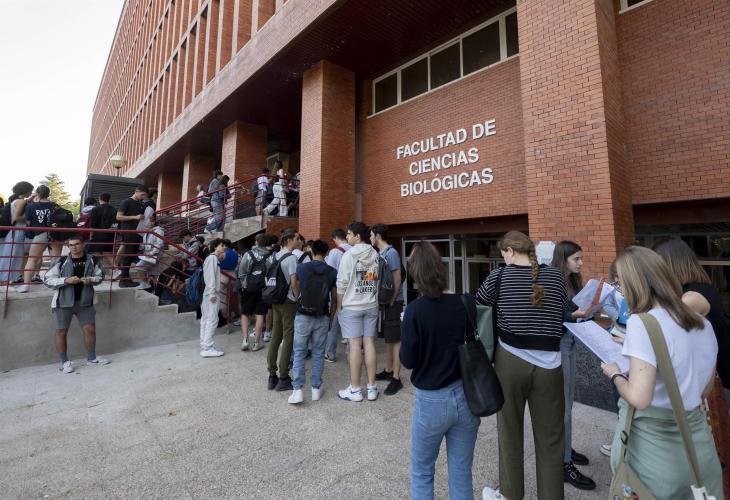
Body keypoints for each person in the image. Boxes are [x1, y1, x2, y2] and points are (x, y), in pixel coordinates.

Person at [601, 246, 722, 499]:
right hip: (698, 446)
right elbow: (704, 388)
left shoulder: (642, 323)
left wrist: (615, 375)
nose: (620, 292)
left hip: (655, 449)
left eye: (619, 285)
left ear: (633, 284)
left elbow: (640, 398)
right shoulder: (703, 323)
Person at [479, 231, 568, 500]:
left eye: (503, 254)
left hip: (510, 361)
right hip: (550, 365)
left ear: (509, 251)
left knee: (510, 433)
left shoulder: (499, 276)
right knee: (551, 440)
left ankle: (510, 494)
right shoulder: (556, 276)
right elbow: (561, 311)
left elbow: (479, 305)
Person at [400, 241, 480, 500]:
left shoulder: (414, 311)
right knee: (461, 472)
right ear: (440, 267)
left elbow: (408, 360)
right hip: (466, 395)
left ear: (415, 272)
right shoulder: (465, 302)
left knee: (422, 472)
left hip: (431, 400)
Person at [653, 238, 730, 493]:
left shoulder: (692, 296)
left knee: (713, 447)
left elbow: (663, 324)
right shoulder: (697, 288)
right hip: (712, 374)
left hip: (715, 378)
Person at [550, 240, 596, 490]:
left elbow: (573, 312)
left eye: (581, 258)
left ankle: (565, 448)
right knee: (564, 405)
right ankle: (563, 463)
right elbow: (549, 315)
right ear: (563, 259)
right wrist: (572, 315)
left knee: (568, 401)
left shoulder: (574, 281)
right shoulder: (552, 281)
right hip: (559, 343)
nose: (581, 263)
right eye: (576, 259)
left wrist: (589, 311)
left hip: (571, 340)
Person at [43, 234, 109, 373]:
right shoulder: (61, 261)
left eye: (77, 244)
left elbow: (100, 277)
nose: (74, 247)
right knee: (61, 331)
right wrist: (65, 280)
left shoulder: (92, 260)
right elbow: (47, 280)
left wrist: (90, 280)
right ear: (68, 247)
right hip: (63, 302)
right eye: (71, 245)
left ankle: (92, 359)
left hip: (85, 301)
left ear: (83, 245)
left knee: (90, 330)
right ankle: (64, 363)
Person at [288, 240, 338, 404]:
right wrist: (330, 317)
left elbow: (294, 283)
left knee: (299, 352)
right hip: (322, 316)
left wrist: (298, 298)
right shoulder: (332, 272)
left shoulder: (302, 268)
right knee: (318, 352)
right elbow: (334, 298)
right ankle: (316, 388)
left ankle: (297, 390)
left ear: (311, 251)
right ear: (326, 252)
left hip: (303, 314)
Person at [336, 221, 380, 402]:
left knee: (354, 346)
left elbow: (342, 283)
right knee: (369, 343)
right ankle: (372, 387)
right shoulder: (375, 254)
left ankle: (355, 390)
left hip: (352, 306)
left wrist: (339, 306)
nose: (346, 236)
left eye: (349, 234)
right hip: (370, 304)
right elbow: (373, 278)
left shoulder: (349, 255)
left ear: (357, 236)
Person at [371, 224, 405, 396]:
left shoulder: (391, 253)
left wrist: (392, 299)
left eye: (371, 235)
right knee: (389, 338)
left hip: (393, 302)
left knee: (396, 339)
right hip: (385, 302)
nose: (370, 238)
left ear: (377, 236)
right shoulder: (380, 254)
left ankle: (396, 378)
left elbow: (397, 278)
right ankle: (389, 369)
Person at [266, 231, 300, 391]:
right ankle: (284, 376)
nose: (299, 241)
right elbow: (294, 283)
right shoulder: (292, 258)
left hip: (276, 299)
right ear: (289, 240)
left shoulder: (275, 256)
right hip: (288, 301)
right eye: (297, 238)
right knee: (288, 337)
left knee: (276, 336)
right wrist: (298, 297)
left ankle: (272, 375)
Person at [18, 185, 60, 293]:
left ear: (37, 193)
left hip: (40, 234)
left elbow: (28, 222)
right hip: (55, 234)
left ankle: (26, 285)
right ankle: (54, 283)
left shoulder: (31, 206)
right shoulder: (54, 205)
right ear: (48, 194)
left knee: (32, 259)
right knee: (55, 260)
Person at [238, 233, 270, 352]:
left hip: (248, 288)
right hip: (263, 289)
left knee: (245, 313)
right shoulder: (270, 256)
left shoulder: (248, 254)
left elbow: (241, 272)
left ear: (256, 242)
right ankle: (256, 343)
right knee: (260, 315)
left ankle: (245, 340)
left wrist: (244, 284)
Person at [323, 229, 352, 362]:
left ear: (335, 238)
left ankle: (330, 353)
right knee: (351, 324)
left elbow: (328, 273)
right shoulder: (354, 249)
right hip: (352, 292)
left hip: (337, 291)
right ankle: (351, 353)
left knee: (333, 323)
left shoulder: (335, 252)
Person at [0, 181, 33, 285]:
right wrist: (27, 218)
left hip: (12, 231)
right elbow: (16, 217)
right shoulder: (21, 201)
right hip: (17, 231)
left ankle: (6, 279)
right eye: (30, 190)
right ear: (26, 191)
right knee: (13, 255)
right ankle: (5, 280)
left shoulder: (15, 200)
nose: (31, 192)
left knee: (9, 254)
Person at [116, 186, 148, 287]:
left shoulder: (140, 203)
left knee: (131, 256)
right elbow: (118, 216)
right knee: (128, 255)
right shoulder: (126, 202)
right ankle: (124, 280)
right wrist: (135, 217)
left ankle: (126, 278)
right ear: (136, 192)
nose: (143, 197)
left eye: (144, 196)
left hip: (137, 232)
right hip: (128, 232)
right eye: (142, 195)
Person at [200, 238, 226, 358]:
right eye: (221, 245)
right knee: (212, 319)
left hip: (209, 293)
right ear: (215, 246)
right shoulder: (212, 258)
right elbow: (210, 277)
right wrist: (212, 293)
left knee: (206, 319)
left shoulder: (212, 258)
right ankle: (207, 347)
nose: (224, 247)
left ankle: (205, 345)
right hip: (211, 293)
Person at [132, 215, 165, 290]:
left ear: (154, 222)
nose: (149, 223)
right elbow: (145, 244)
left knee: (139, 266)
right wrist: (141, 246)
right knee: (152, 273)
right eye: (148, 221)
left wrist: (152, 253)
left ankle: (145, 284)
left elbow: (160, 244)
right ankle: (153, 289)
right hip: (148, 254)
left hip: (154, 255)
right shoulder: (147, 231)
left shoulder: (159, 231)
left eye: (151, 221)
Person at [88, 193, 118, 271]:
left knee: (95, 253)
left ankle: (98, 270)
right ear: (109, 200)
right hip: (110, 235)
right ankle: (117, 270)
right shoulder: (114, 210)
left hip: (98, 234)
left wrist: (91, 236)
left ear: (99, 199)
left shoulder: (95, 209)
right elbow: (116, 223)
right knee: (108, 254)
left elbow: (93, 224)